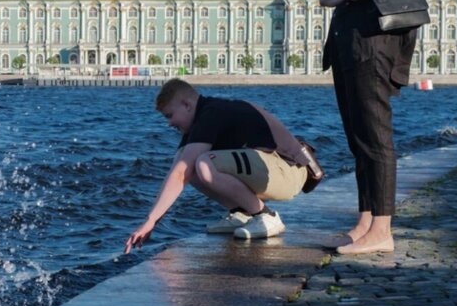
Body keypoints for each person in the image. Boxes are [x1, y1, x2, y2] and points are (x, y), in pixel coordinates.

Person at [318, 0, 418, 254]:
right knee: (358, 137)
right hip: (350, 45)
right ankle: (366, 219)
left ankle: (382, 229)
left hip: (374, 46)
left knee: (376, 137)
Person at [123, 79, 318, 254]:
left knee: (204, 164)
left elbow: (181, 173)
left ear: (187, 105)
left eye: (169, 115)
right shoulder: (202, 118)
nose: (169, 123)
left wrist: (150, 221)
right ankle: (242, 213)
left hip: (289, 171)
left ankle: (265, 216)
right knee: (189, 161)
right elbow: (177, 172)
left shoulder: (212, 113)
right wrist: (152, 220)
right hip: (276, 170)